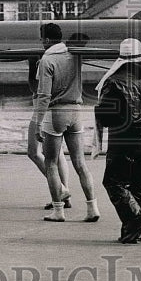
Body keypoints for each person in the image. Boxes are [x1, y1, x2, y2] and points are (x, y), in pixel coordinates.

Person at [94, 37, 141, 244]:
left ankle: (135, 221)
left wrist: (100, 112)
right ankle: (132, 234)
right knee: (140, 188)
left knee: (113, 182)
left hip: (122, 143)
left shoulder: (113, 81)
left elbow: (106, 118)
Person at [33, 22, 100, 223]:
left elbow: (43, 95)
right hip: (76, 110)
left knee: (51, 162)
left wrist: (37, 122)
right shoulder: (75, 53)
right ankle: (92, 208)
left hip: (56, 112)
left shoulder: (47, 60)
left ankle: (58, 211)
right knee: (80, 163)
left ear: (45, 39)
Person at [25, 56, 73, 211]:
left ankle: (61, 190)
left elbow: (35, 88)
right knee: (57, 153)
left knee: (33, 152)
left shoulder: (43, 62)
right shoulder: (59, 59)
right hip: (59, 109)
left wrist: (32, 64)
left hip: (42, 110)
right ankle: (63, 194)